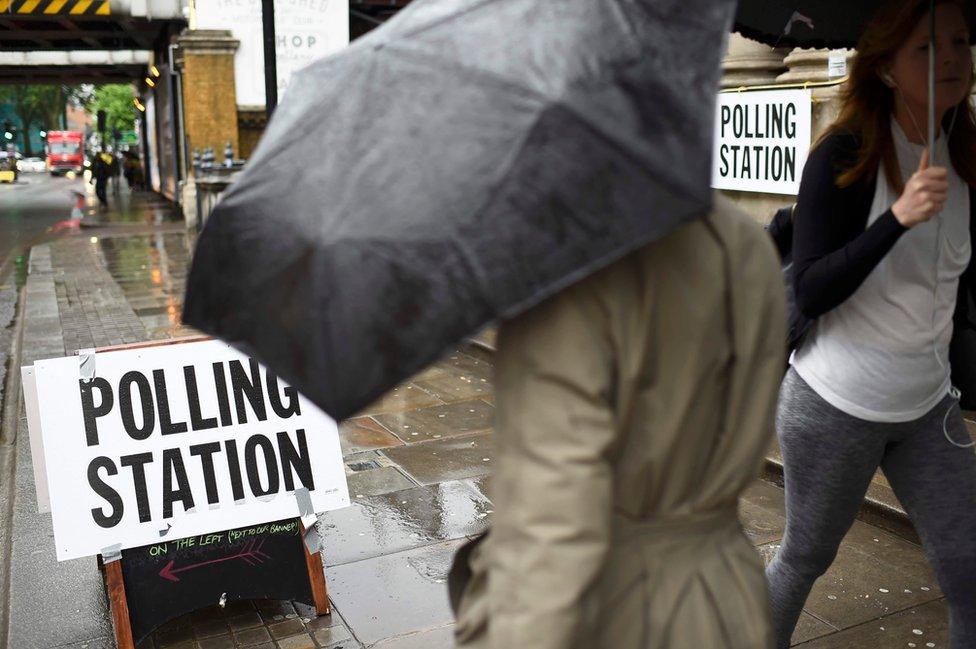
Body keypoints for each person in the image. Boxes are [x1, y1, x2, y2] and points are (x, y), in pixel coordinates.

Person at [450, 195, 786, 648]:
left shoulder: (571, 278)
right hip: (727, 596)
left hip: (615, 612)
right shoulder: (743, 237)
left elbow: (550, 530)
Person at [765, 2, 976, 647]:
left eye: (963, 42)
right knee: (804, 560)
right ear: (884, 67)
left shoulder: (965, 153)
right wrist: (898, 219)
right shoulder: (845, 154)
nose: (955, 60)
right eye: (928, 48)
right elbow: (813, 287)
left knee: (968, 567)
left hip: (927, 408)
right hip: (834, 405)